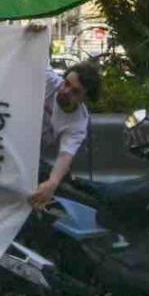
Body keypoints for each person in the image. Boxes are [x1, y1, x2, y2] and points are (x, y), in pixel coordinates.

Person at [34, 61, 99, 209]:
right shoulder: (49, 81)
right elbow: (37, 55)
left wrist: (52, 183)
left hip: (31, 155)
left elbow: (65, 154)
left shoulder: (79, 121)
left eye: (75, 91)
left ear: (85, 99)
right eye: (66, 83)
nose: (65, 91)